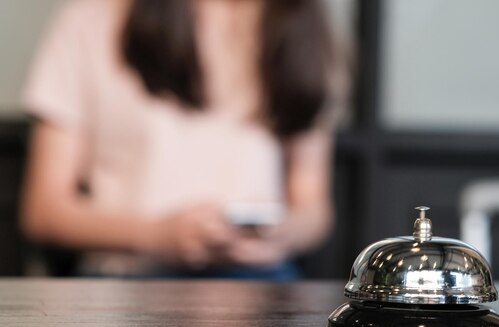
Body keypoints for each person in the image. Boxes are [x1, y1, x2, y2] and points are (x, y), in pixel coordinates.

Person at [20, 0, 345, 279]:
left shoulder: (298, 26)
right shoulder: (93, 20)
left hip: (259, 281)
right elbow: (44, 210)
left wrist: (281, 234)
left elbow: (313, 208)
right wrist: (156, 236)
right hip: (127, 278)